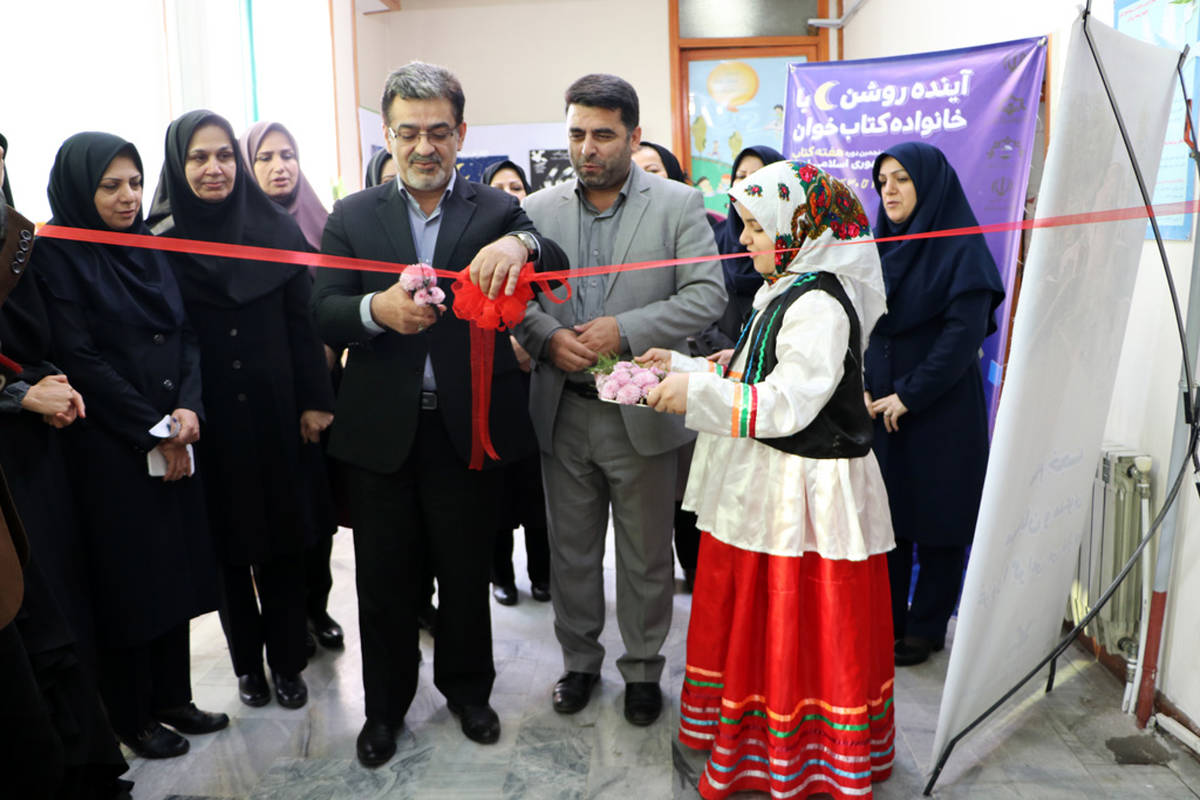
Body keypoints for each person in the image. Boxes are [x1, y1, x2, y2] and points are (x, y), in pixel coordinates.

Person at [312, 61, 565, 766]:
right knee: (383, 582)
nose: (424, 147)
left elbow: (550, 253)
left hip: (469, 427)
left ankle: (469, 692)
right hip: (381, 433)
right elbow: (323, 309)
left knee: (464, 573)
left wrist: (520, 243)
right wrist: (376, 310)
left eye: (438, 132)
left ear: (461, 133)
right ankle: (385, 709)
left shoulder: (493, 210)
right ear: (388, 135)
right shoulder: (353, 215)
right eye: (409, 132)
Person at [643, 159, 896, 800]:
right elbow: (752, 371)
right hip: (769, 482)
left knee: (794, 617)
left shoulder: (818, 303)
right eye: (746, 225)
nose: (745, 239)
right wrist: (681, 368)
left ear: (799, 227)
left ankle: (795, 752)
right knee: (758, 613)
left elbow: (789, 403)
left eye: (758, 226)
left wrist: (694, 397)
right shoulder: (784, 289)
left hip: (801, 492)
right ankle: (753, 734)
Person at [515, 73, 725, 726]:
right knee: (571, 553)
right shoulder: (537, 211)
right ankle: (579, 663)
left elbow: (707, 295)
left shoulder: (678, 204)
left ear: (634, 137)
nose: (588, 148)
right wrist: (547, 338)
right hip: (564, 407)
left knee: (645, 554)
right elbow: (517, 299)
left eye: (603, 135)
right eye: (577, 133)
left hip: (644, 409)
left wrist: (625, 330)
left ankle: (642, 670)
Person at [148, 110, 336, 710]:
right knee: (227, 549)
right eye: (199, 157)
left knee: (283, 540)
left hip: (278, 413)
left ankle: (288, 662)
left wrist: (315, 401)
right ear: (178, 165)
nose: (215, 168)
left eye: (225, 155)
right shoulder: (160, 244)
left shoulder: (275, 230)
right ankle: (247, 667)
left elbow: (303, 323)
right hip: (207, 422)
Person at [0, 186, 135, 795]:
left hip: (35, 457)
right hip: (10, 454)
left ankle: (86, 762)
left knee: (57, 611)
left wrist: (45, 380)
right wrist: (18, 393)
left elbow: (41, 339)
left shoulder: (17, 241)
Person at [865, 142, 1005, 667]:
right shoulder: (876, 247)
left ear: (929, 184)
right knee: (890, 520)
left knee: (941, 521)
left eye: (902, 179)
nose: (890, 191)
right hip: (881, 409)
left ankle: (926, 628)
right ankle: (890, 621)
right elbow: (861, 323)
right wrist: (864, 383)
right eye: (883, 181)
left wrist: (911, 393)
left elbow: (961, 337)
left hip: (941, 409)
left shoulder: (961, 247)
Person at [240, 120, 346, 657]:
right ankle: (286, 620)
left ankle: (317, 607)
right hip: (266, 397)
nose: (279, 167)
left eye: (288, 155)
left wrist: (328, 350)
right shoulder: (240, 232)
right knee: (276, 515)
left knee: (320, 512)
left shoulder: (325, 225)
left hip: (324, 393)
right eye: (264, 158)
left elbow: (343, 298)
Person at [479, 158, 550, 607]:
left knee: (540, 490)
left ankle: (544, 573)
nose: (510, 193)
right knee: (498, 492)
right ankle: (500, 575)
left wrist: (533, 344)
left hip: (539, 383)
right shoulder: (474, 248)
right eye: (500, 187)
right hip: (493, 388)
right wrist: (508, 351)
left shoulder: (542, 247)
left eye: (517, 185)